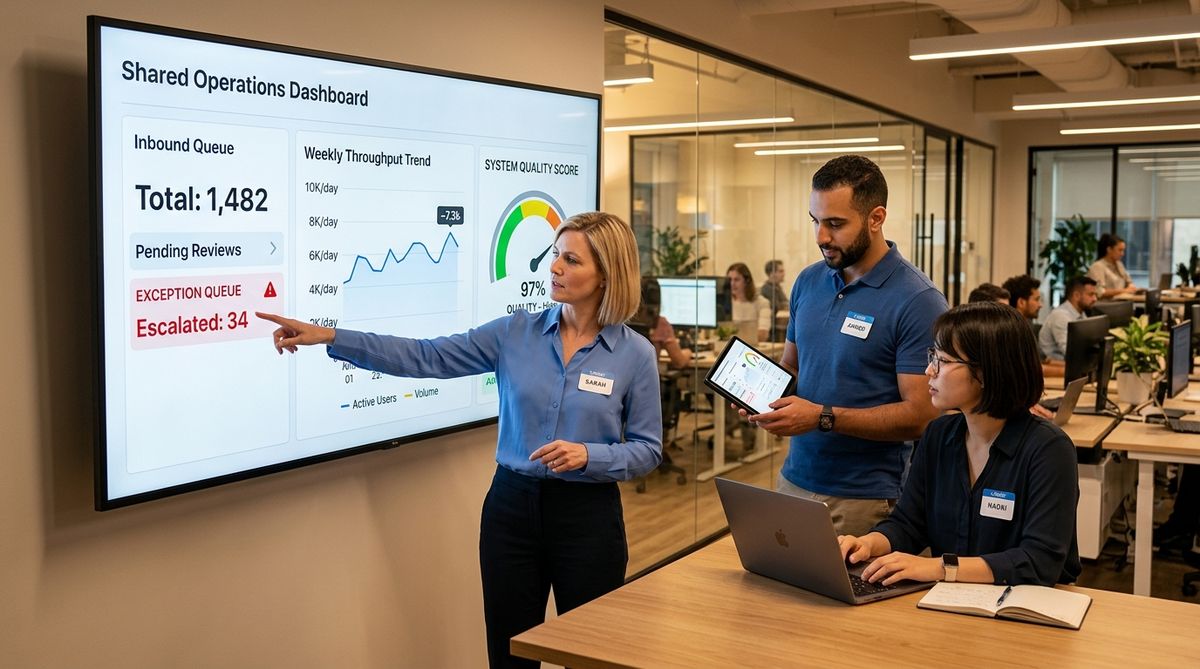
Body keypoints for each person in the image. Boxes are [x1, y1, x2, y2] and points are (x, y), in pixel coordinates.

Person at [257, 212, 662, 669]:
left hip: (587, 518)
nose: (554, 268)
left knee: (591, 655)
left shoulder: (635, 354)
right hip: (512, 511)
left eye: (571, 260)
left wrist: (590, 455)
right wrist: (331, 336)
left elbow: (648, 449)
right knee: (508, 653)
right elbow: (426, 356)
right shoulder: (514, 333)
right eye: (554, 255)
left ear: (607, 274)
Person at [742, 155, 947, 536]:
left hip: (863, 498)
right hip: (793, 480)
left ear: (875, 218)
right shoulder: (808, 281)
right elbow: (794, 366)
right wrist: (763, 396)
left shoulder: (918, 300)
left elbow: (922, 415)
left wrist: (821, 416)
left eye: (835, 224)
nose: (821, 237)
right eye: (815, 221)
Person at [838, 302, 1081, 587]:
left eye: (942, 360)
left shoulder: (1049, 450)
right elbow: (908, 523)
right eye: (932, 356)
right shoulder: (939, 435)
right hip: (951, 604)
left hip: (1023, 610)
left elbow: (1039, 562)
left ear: (987, 372)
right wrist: (868, 544)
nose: (929, 370)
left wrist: (940, 568)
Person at [632, 276, 691, 369]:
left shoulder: (620, 321)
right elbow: (679, 362)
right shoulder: (659, 323)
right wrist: (688, 352)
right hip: (646, 380)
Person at [1038, 275, 1097, 366]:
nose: (1095, 299)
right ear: (1076, 295)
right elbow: (1071, 353)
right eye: (1091, 294)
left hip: (1070, 367)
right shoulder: (1060, 316)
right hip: (1055, 369)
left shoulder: (1081, 314)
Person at [726, 262, 772, 343]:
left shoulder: (762, 303)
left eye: (736, 280)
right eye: (729, 280)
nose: (732, 284)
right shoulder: (726, 303)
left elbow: (763, 335)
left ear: (746, 281)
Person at [1088, 233, 1137, 298]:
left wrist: (1131, 286)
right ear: (1109, 250)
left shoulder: (1119, 264)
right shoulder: (1097, 266)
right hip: (1106, 305)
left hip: (1122, 302)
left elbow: (1129, 281)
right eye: (1120, 250)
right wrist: (1124, 291)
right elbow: (1100, 292)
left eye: (1123, 250)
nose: (1122, 254)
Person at [761, 259, 788, 342]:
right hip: (773, 330)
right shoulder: (767, 289)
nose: (783, 274)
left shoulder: (777, 287)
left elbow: (786, 304)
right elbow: (778, 308)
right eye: (780, 271)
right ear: (772, 273)